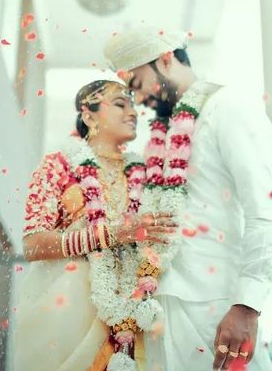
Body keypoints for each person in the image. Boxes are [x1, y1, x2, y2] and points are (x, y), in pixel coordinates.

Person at [104, 27, 272, 371]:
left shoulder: (228, 108)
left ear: (166, 58)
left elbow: (263, 212)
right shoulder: (161, 134)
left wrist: (246, 306)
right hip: (160, 309)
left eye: (139, 85)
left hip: (216, 305)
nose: (138, 101)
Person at [13, 80, 176, 371]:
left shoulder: (147, 174)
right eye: (119, 104)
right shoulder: (59, 165)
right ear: (88, 115)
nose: (133, 112)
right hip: (72, 310)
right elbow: (33, 244)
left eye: (131, 104)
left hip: (141, 307)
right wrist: (112, 234)